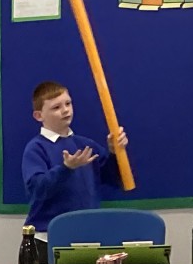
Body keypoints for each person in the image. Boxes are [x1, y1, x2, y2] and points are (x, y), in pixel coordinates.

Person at [22, 80, 130, 235]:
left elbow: (115, 179)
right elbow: (37, 190)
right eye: (56, 107)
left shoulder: (85, 145)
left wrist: (115, 153)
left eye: (68, 104)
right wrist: (66, 168)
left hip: (87, 233)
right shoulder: (36, 148)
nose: (65, 110)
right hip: (48, 235)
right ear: (39, 116)